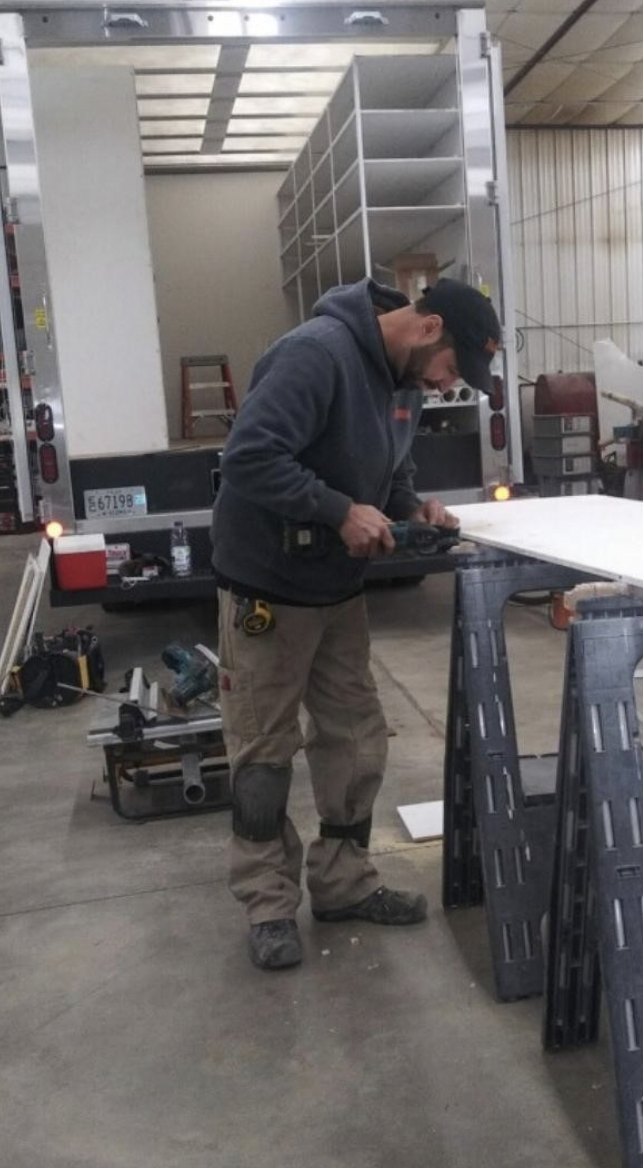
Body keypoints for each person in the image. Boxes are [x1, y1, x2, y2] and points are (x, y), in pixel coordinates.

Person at [211, 277, 503, 970]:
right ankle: (268, 904)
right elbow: (248, 458)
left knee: (355, 738)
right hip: (268, 587)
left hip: (337, 589)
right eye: (452, 369)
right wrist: (339, 511)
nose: (446, 386)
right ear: (428, 328)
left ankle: (343, 884)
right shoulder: (317, 354)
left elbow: (387, 476)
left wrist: (411, 507)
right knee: (264, 751)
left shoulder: (403, 380)